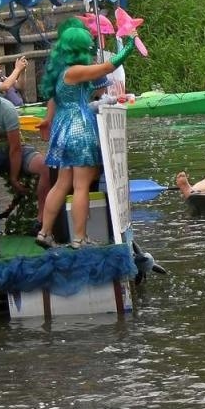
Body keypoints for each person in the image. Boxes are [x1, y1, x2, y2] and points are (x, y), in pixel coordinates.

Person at [35, 17, 136, 248]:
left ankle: (44, 232)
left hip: (62, 126)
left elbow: (54, 100)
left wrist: (47, 120)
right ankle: (79, 238)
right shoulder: (76, 70)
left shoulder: (60, 72)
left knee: (61, 184)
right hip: (79, 126)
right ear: (80, 49)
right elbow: (109, 67)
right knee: (81, 186)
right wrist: (130, 43)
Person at [0, 71, 47, 207]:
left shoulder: (7, 109)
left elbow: (15, 148)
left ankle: (42, 217)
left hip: (14, 148)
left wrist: (14, 178)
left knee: (44, 166)